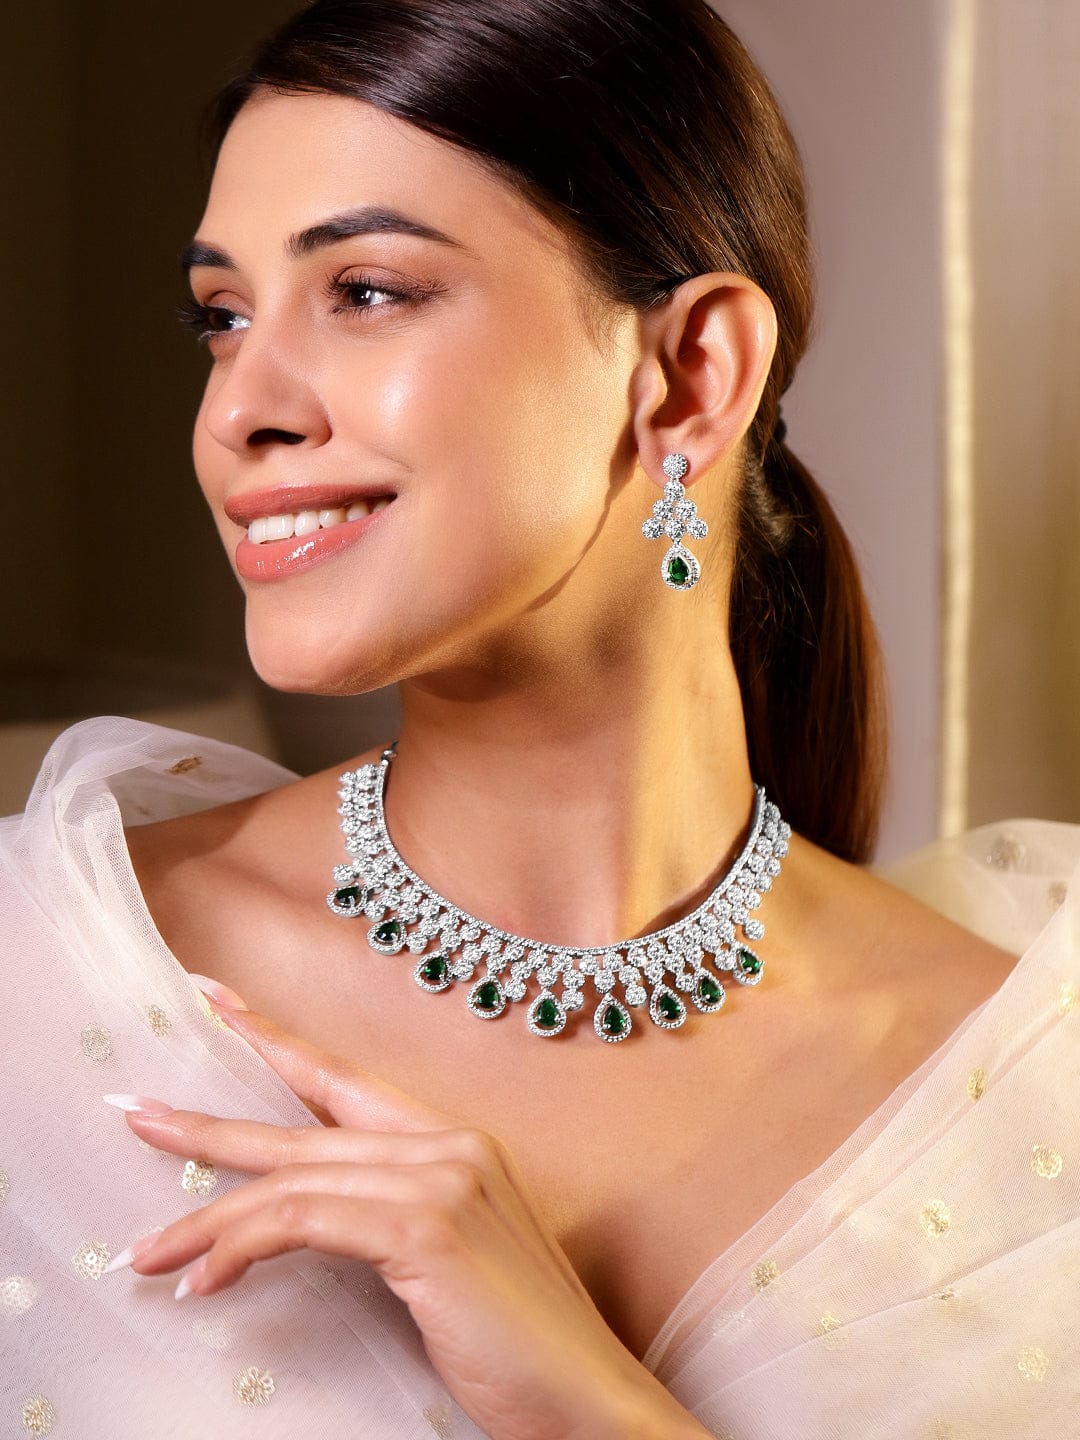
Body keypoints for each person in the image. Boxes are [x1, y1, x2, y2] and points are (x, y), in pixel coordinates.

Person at [2, 1, 1077, 1435]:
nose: (237, 411)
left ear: (690, 375)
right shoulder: (42, 987)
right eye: (222, 316)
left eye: (366, 290)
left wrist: (593, 1408)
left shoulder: (1033, 1090)